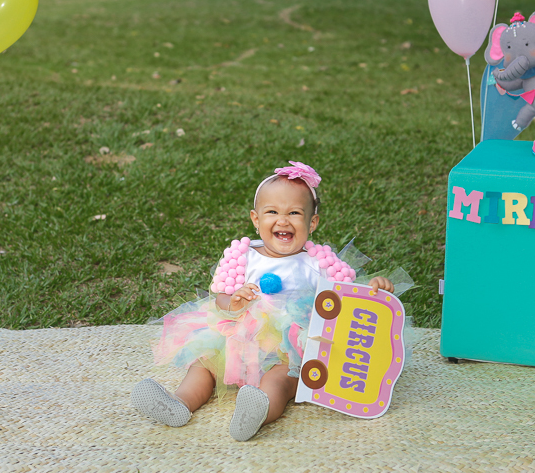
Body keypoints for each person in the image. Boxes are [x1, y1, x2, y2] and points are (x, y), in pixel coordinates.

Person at [132, 161, 394, 441]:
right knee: (204, 364)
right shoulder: (243, 255)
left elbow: (347, 298)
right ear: (256, 220)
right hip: (237, 340)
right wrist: (232, 302)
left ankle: (258, 411)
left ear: (312, 222)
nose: (283, 220)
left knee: (282, 380)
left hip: (291, 347)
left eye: (294, 213)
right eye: (272, 212)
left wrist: (373, 289)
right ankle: (179, 403)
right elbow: (220, 297)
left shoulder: (317, 262)